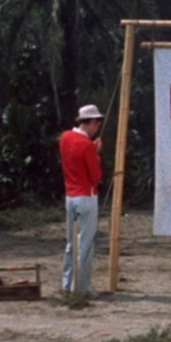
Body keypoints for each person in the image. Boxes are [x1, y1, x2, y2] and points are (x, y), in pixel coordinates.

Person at [59, 104, 104, 295]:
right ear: (92, 122)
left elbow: (75, 156)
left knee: (71, 243)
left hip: (70, 195)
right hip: (86, 196)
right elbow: (96, 176)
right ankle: (81, 288)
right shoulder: (87, 146)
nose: (98, 127)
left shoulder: (65, 137)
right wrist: (96, 154)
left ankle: (67, 284)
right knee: (85, 245)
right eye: (97, 123)